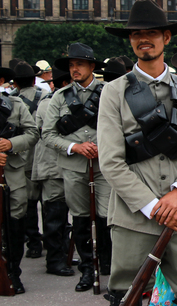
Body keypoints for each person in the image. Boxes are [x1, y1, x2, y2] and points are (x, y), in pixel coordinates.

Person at [99, 0, 177, 306]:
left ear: (166, 37)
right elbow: (111, 161)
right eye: (137, 34)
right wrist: (152, 205)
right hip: (134, 216)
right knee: (128, 295)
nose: (144, 39)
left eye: (152, 32)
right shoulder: (113, 92)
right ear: (130, 40)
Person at [42, 43, 112, 291]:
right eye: (71, 65)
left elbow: (122, 128)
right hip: (73, 167)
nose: (74, 69)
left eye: (79, 64)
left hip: (104, 166)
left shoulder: (108, 93)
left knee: (106, 217)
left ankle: (109, 267)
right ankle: (87, 269)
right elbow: (47, 135)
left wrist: (101, 147)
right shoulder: (60, 97)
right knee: (81, 219)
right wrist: (75, 147)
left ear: (92, 66)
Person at [0, 57, 39, 297]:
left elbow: (33, 133)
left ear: (1, 81)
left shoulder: (16, 104)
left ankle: (12, 273)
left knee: (14, 228)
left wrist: (11, 143)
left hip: (12, 176)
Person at [32, 67, 76, 277]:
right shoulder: (51, 102)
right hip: (53, 167)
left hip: (65, 165)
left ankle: (65, 255)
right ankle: (55, 260)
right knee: (55, 216)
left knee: (67, 216)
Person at [11, 61, 50, 260]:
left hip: (23, 158)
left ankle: (33, 243)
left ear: (15, 83)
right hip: (43, 156)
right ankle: (50, 242)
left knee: (28, 204)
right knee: (48, 203)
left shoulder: (11, 100)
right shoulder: (46, 97)